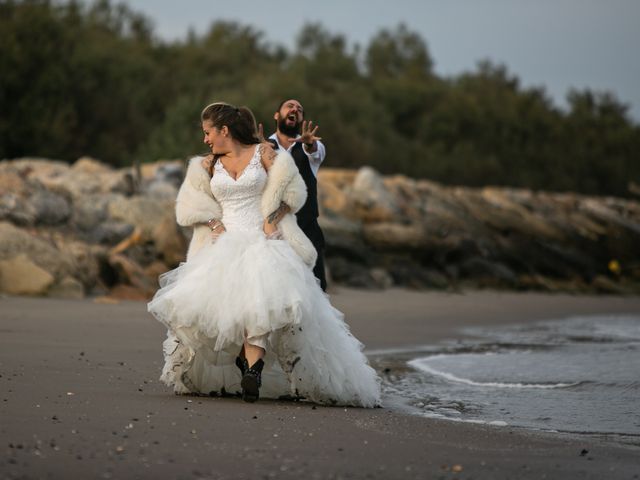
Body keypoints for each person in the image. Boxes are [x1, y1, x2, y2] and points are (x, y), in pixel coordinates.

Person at [147, 102, 380, 406]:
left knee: (259, 307)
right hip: (222, 247)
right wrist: (213, 221)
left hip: (262, 242)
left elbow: (294, 192)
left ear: (224, 130)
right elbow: (188, 205)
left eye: (208, 132)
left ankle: (253, 371)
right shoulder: (206, 165)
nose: (205, 139)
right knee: (230, 311)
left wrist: (274, 216)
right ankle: (245, 364)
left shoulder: (264, 154)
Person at [264, 99, 328, 291]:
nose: (295, 109)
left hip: (307, 228)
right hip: (274, 229)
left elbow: (313, 152)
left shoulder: (313, 147)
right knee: (278, 290)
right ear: (277, 115)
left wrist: (309, 145)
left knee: (315, 289)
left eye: (299, 109)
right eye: (289, 106)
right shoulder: (262, 146)